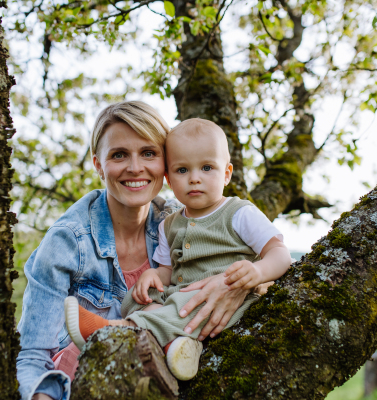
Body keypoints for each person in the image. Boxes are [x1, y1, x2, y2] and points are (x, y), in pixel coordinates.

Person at [16, 104, 268, 400]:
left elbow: (266, 260)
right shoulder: (67, 241)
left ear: (165, 164)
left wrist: (236, 284)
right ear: (98, 165)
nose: (135, 167)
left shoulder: (180, 220)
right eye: (119, 154)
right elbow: (32, 355)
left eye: (148, 153)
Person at [64, 118, 292, 381]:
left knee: (185, 301)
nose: (195, 178)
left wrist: (257, 271)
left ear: (227, 173)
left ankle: (115, 332)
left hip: (223, 300)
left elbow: (280, 253)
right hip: (181, 295)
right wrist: (153, 277)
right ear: (169, 179)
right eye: (182, 170)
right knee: (141, 295)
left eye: (207, 168)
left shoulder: (239, 213)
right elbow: (167, 271)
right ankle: (177, 346)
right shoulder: (168, 224)